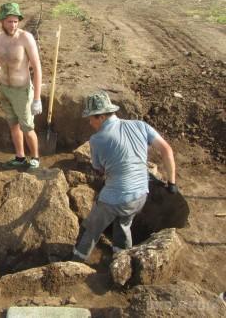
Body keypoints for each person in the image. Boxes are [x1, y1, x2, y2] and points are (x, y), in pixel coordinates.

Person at [72, 91, 178, 262]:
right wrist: (172, 182)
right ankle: (122, 257)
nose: (90, 122)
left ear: (101, 117)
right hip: (141, 195)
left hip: (115, 198)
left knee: (92, 227)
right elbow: (166, 150)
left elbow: (98, 169)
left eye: (91, 118)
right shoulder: (140, 125)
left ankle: (77, 259)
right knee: (124, 223)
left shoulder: (97, 140)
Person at [0, 2, 43, 169]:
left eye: (16, 21)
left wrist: (37, 98)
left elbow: (37, 68)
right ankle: (20, 156)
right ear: (1, 21)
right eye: (9, 21)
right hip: (4, 89)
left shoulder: (25, 38)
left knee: (27, 127)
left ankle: (35, 157)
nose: (13, 25)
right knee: (13, 125)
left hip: (21, 91)